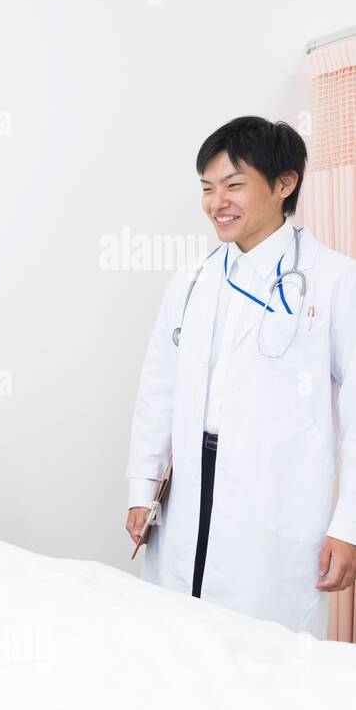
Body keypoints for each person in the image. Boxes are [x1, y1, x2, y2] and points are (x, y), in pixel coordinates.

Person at [126, 116, 356, 636]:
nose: (216, 203)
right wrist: (142, 486)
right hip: (187, 492)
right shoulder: (193, 279)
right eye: (207, 189)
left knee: (262, 665)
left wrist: (349, 526)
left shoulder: (335, 281)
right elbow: (158, 387)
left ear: (284, 184)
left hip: (275, 502)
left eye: (233, 185)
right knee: (177, 642)